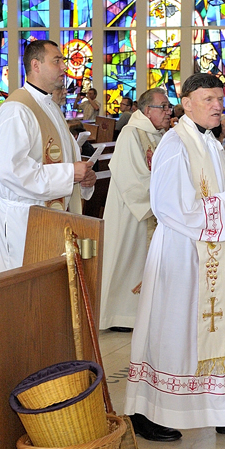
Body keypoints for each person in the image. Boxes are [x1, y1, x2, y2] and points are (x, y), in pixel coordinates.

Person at [124, 73, 225, 442]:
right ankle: (147, 410)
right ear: (186, 102)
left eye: (219, 99)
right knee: (172, 332)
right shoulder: (175, 144)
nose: (217, 106)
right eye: (207, 99)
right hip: (183, 253)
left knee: (219, 334)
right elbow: (167, 206)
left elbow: (212, 190)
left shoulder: (211, 142)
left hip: (213, 250)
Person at [0, 40, 96, 275]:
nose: (64, 68)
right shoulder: (16, 110)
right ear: (35, 65)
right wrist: (70, 174)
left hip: (48, 216)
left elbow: (67, 158)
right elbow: (12, 172)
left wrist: (83, 179)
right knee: (24, 295)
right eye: (57, 61)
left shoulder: (50, 106)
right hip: (23, 222)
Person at [100, 88, 171, 332]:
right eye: (163, 107)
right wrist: (164, 200)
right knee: (128, 255)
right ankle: (121, 315)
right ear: (147, 110)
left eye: (168, 107)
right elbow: (132, 179)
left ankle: (147, 311)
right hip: (131, 212)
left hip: (149, 209)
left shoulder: (157, 135)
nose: (168, 112)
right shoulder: (131, 133)